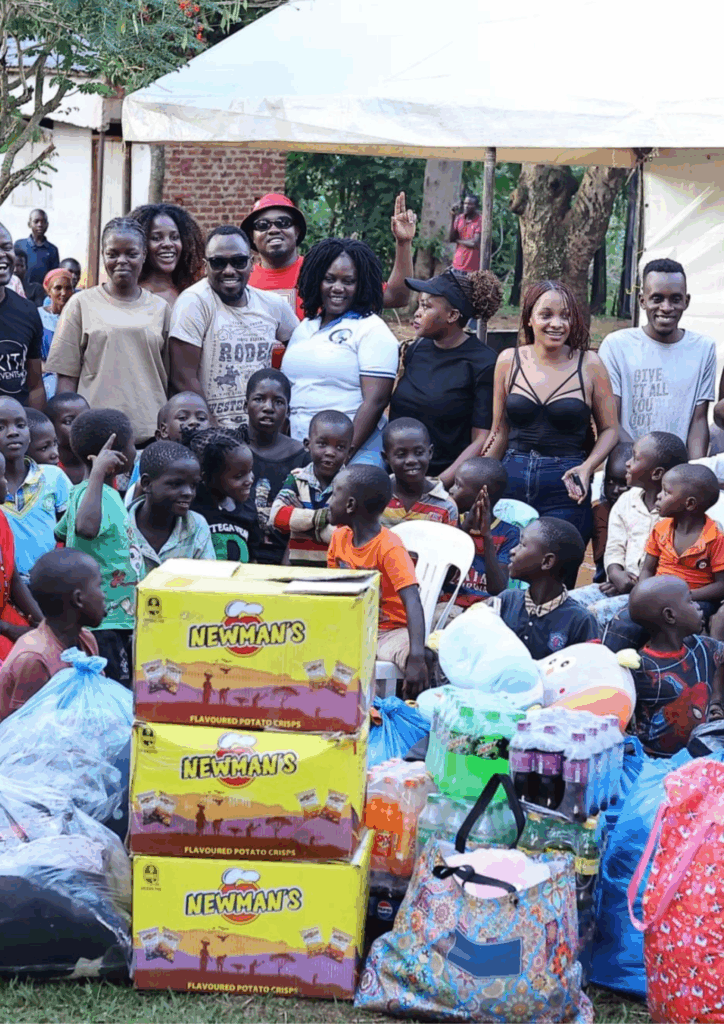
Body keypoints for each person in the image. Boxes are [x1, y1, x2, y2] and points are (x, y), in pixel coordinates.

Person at [449, 280, 619, 549]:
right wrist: (478, 481)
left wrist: (588, 468)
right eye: (546, 315)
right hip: (511, 477)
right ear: (529, 319)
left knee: (557, 571)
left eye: (565, 316)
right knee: (508, 568)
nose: (557, 323)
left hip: (566, 482)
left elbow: (610, 429)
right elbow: (498, 431)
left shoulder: (589, 364)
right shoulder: (508, 360)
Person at [46, 217, 171, 446]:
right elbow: (66, 379)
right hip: (94, 435)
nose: (121, 261)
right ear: (103, 255)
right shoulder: (80, 304)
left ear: (144, 255)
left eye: (131, 254)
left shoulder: (161, 308)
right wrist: (69, 435)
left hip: (150, 434)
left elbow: (170, 377)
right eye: (113, 254)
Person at [281, 238, 399, 463]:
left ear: (361, 284)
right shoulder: (305, 327)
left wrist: (343, 456)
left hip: (352, 454)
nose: (337, 288)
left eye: (348, 281)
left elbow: (375, 401)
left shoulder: (371, 329)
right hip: (302, 449)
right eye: (329, 279)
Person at [169, 226, 297, 431]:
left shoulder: (272, 304)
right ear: (205, 266)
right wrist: (214, 432)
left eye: (238, 261)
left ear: (252, 264)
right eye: (218, 262)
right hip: (214, 434)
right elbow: (183, 378)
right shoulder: (194, 302)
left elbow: (300, 356)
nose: (229, 270)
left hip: (263, 434)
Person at [327, 464, 428, 698]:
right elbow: (333, 593)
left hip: (390, 631)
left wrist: (416, 657)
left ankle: (413, 711)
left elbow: (412, 599)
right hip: (353, 627)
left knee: (418, 657)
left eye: (334, 494)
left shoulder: (389, 547)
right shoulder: (339, 538)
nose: (329, 502)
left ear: (350, 505)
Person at [599, 259, 715, 457]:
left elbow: (698, 421)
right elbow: (610, 420)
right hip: (628, 466)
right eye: (657, 298)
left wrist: (694, 473)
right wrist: (642, 463)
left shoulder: (703, 348)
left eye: (675, 299)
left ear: (686, 301)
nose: (666, 307)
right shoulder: (616, 346)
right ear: (642, 300)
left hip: (678, 474)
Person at [391, 269, 501, 479]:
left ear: (452, 315)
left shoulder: (483, 363)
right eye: (420, 304)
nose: (417, 313)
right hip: (395, 475)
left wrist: (440, 484)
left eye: (426, 306)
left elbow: (481, 439)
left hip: (441, 478)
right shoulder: (417, 348)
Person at [241, 191, 417, 322]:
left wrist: (403, 243)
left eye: (283, 222)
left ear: (297, 231)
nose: (273, 229)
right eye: (262, 225)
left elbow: (396, 297)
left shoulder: (325, 271)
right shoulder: (241, 280)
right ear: (251, 237)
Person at [55, 408, 138, 685]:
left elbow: (63, 530)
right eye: (132, 445)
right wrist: (99, 473)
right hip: (104, 622)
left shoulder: (100, 494)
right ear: (114, 452)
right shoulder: (91, 494)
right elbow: (85, 528)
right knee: (113, 687)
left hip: (121, 618)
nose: (135, 450)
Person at [572, 431, 688, 626]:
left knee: (594, 614)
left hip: (655, 596)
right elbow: (615, 546)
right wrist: (615, 572)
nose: (628, 463)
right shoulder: (627, 500)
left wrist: (637, 586)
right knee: (568, 603)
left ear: (657, 473)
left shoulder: (679, 510)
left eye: (634, 458)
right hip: (618, 583)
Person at [604, 464, 724, 652]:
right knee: (624, 624)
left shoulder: (715, 538)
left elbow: (721, 586)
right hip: (657, 595)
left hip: (695, 599)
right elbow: (647, 569)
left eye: (666, 492)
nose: (659, 496)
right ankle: (611, 670)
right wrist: (642, 594)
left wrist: (684, 597)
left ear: (689, 504)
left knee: (680, 630)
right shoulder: (660, 529)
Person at [0, 549, 105, 721]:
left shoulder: (86, 639)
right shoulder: (34, 658)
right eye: (99, 586)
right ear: (78, 599)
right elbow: (23, 731)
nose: (103, 595)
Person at [627, 576, 724, 756]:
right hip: (656, 765)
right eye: (690, 601)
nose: (698, 607)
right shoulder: (641, 669)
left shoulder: (704, 647)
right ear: (670, 615)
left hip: (700, 761)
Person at [492, 518, 599, 659]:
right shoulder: (506, 600)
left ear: (547, 561)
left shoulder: (580, 621)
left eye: (522, 545)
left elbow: (585, 672)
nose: (512, 551)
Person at [269, 409, 353, 566]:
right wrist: (323, 518)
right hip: (297, 568)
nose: (330, 452)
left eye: (340, 447)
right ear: (307, 445)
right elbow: (277, 516)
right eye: (322, 444)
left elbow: (348, 536)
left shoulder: (352, 486)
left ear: (350, 452)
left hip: (336, 571)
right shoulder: (298, 479)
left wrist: (301, 522)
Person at [0, 397, 70, 581]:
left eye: (20, 425)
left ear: (29, 435)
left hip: (52, 584)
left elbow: (72, 533)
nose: (13, 432)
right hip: (6, 589)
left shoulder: (54, 477)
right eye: (1, 428)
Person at [244, 368, 308, 565]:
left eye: (278, 402)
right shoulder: (231, 449)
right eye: (259, 399)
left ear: (288, 410)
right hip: (240, 555)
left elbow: (305, 520)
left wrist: (285, 568)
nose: (268, 407)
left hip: (286, 558)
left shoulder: (302, 458)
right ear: (245, 405)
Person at [128, 441, 215, 577]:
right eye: (176, 484)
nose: (188, 493)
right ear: (147, 484)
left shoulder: (196, 525)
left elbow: (207, 581)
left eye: (193, 485)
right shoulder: (121, 526)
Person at [448, 457, 520, 603]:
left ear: (482, 495)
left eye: (458, 485)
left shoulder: (509, 533)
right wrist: (465, 529)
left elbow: (497, 589)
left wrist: (487, 536)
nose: (451, 490)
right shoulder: (451, 521)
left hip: (485, 606)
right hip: (447, 602)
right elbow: (444, 577)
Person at [186, 430, 258, 562]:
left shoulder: (247, 507)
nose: (250, 480)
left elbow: (254, 557)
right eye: (239, 476)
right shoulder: (191, 509)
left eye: (250, 471)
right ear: (206, 477)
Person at [0, 450, 42, 659]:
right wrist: (8, 629)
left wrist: (44, 625)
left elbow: (13, 578)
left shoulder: (1, 518)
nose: (6, 483)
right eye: (1, 477)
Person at [380, 418, 458, 528]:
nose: (411, 460)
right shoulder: (378, 494)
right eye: (401, 454)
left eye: (419, 452)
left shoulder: (446, 506)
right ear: (386, 458)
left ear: (430, 453)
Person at [0, 223, 45, 410]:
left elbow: (35, 387)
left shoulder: (27, 311)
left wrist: (35, 431)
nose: (3, 255)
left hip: (14, 435)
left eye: (7, 247)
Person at [129, 202, 205, 307]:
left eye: (174, 237)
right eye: (156, 238)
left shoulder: (194, 293)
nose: (168, 244)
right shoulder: (131, 296)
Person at [591, 443, 633, 583]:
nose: (615, 490)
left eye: (623, 484)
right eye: (609, 481)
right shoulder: (601, 512)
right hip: (608, 576)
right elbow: (603, 558)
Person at [38, 267, 74, 400]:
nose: (64, 293)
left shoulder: (77, 316)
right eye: (58, 288)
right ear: (48, 291)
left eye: (68, 288)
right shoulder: (38, 316)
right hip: (45, 376)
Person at [44, 392, 89, 485]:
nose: (81, 425)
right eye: (69, 422)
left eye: (86, 418)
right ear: (51, 427)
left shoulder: (100, 462)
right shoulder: (46, 469)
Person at [14, 209, 59, 286]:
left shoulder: (52, 250)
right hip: (19, 289)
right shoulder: (19, 244)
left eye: (43, 221)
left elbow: (54, 276)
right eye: (36, 221)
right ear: (29, 224)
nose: (40, 225)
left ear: (47, 224)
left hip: (42, 293)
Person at [449, 194, 482, 272]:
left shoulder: (480, 220)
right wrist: (453, 217)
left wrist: (458, 241)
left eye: (470, 204)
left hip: (471, 267)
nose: (466, 206)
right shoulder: (460, 218)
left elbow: (474, 243)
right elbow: (451, 238)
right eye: (465, 203)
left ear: (476, 206)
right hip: (457, 264)